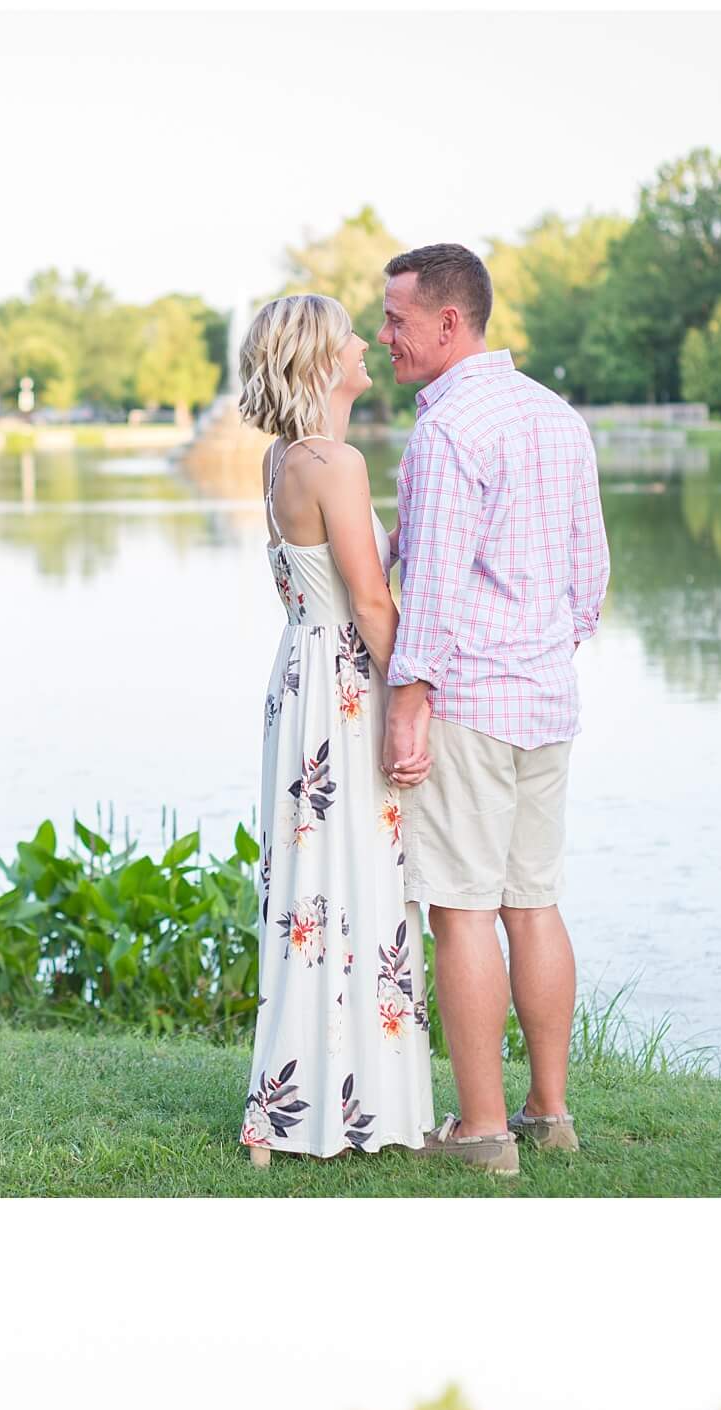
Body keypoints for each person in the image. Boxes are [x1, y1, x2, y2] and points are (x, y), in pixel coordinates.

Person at [377, 246, 611, 1176]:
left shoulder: (448, 432)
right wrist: (545, 648)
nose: (382, 335)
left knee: (463, 911)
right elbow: (588, 577)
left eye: (396, 319)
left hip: (469, 701)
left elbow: (429, 589)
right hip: (548, 699)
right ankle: (549, 1116)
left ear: (449, 322)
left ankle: (480, 1133)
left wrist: (411, 698)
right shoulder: (558, 417)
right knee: (535, 903)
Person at [235, 295, 439, 1170]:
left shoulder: (285, 458)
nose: (367, 343)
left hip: (299, 679)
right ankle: (344, 1106)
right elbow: (369, 601)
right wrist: (410, 699)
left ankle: (312, 1102)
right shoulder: (335, 460)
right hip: (343, 684)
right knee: (351, 873)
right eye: (352, 334)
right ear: (322, 360)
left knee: (315, 891)